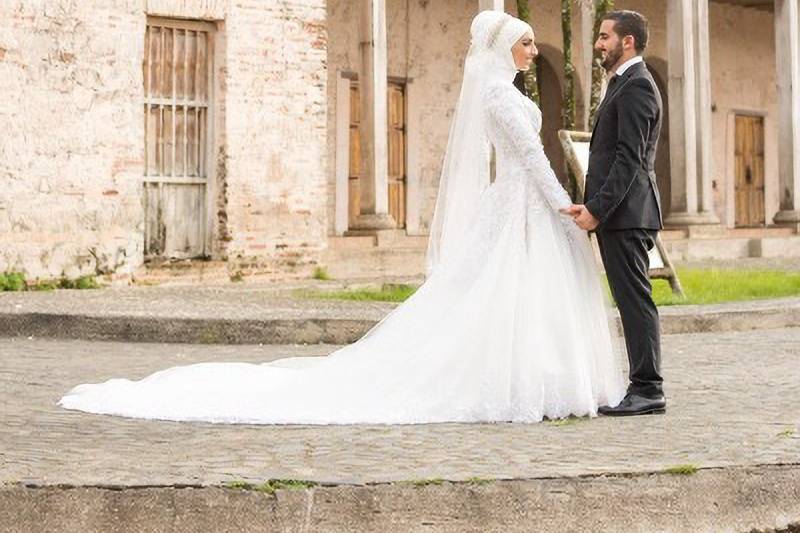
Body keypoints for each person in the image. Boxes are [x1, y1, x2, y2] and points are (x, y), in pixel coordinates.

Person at [59, 11, 626, 425]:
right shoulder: (502, 98)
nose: (531, 49)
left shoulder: (502, 91)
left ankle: (535, 374)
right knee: (499, 292)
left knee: (512, 293)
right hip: (524, 200)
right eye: (525, 43)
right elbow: (528, 159)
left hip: (519, 202)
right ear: (504, 48)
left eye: (531, 43)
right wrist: (564, 205)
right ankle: (515, 378)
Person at [563, 10, 665, 416]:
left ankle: (648, 389)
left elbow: (629, 160)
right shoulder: (622, 84)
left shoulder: (638, 86)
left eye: (605, 37)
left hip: (627, 214)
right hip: (621, 213)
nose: (598, 43)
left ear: (628, 42)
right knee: (630, 298)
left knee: (635, 300)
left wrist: (597, 211)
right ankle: (644, 386)